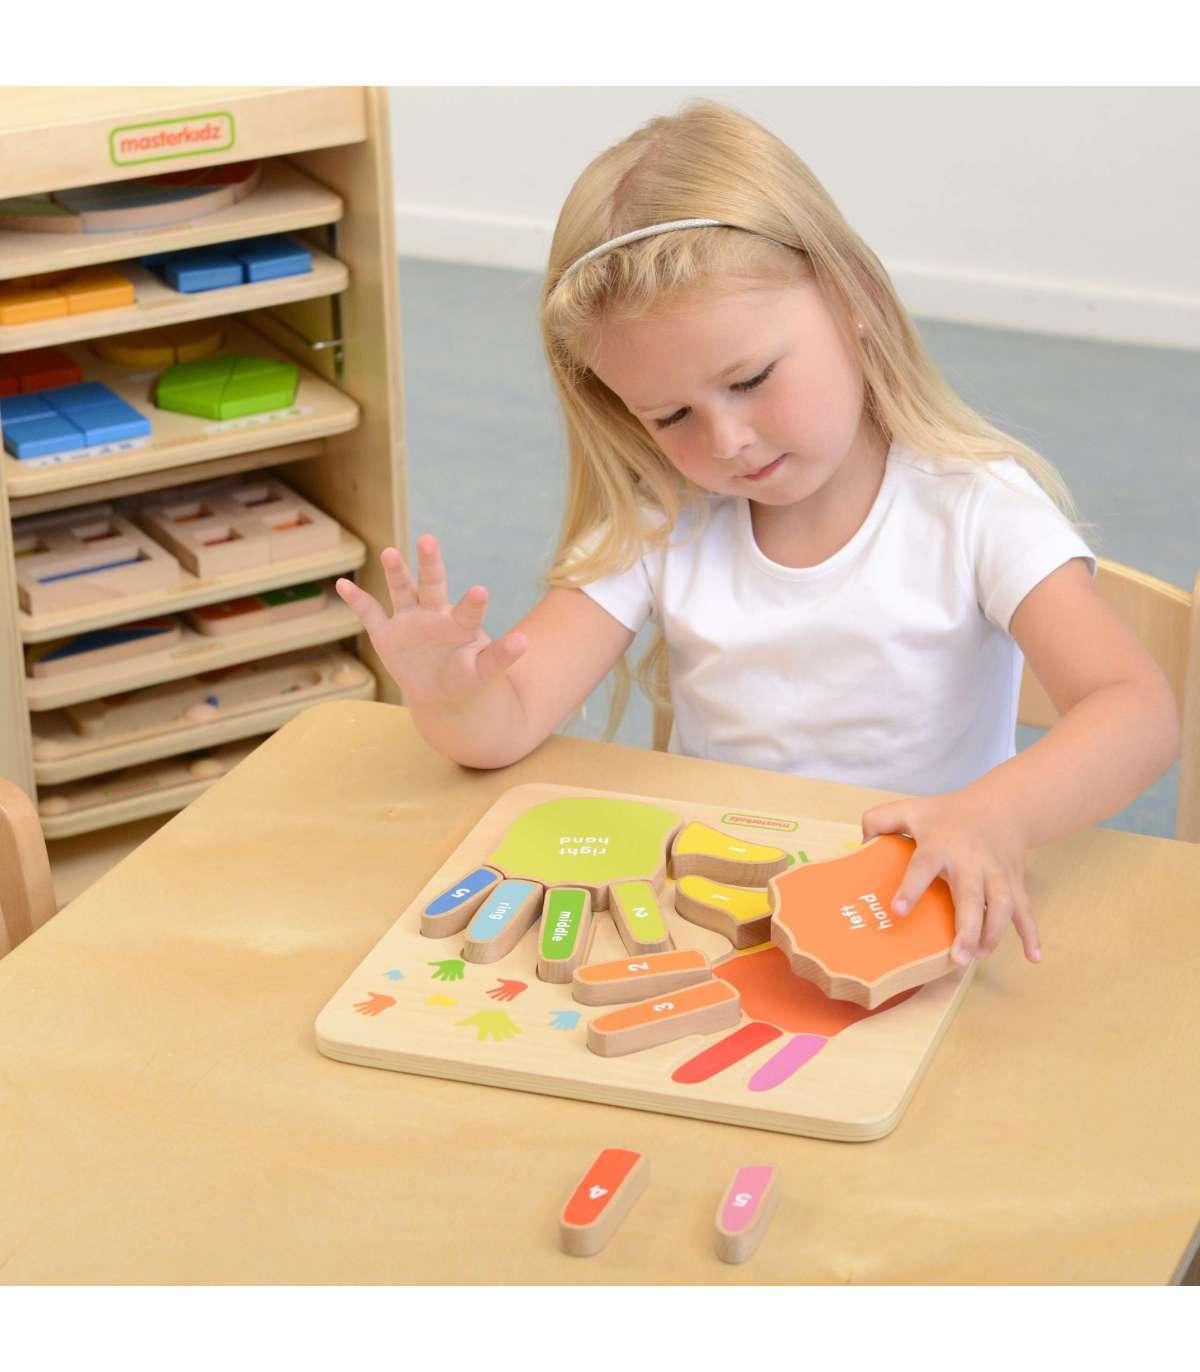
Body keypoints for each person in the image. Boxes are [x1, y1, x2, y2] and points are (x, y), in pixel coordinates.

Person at [336, 100, 1179, 969]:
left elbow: (1138, 712)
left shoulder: (976, 508)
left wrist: (997, 814)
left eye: (749, 379)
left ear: (853, 297)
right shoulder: (663, 517)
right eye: (671, 416)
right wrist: (452, 699)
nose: (727, 441)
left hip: (916, 919)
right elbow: (505, 725)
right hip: (722, 918)